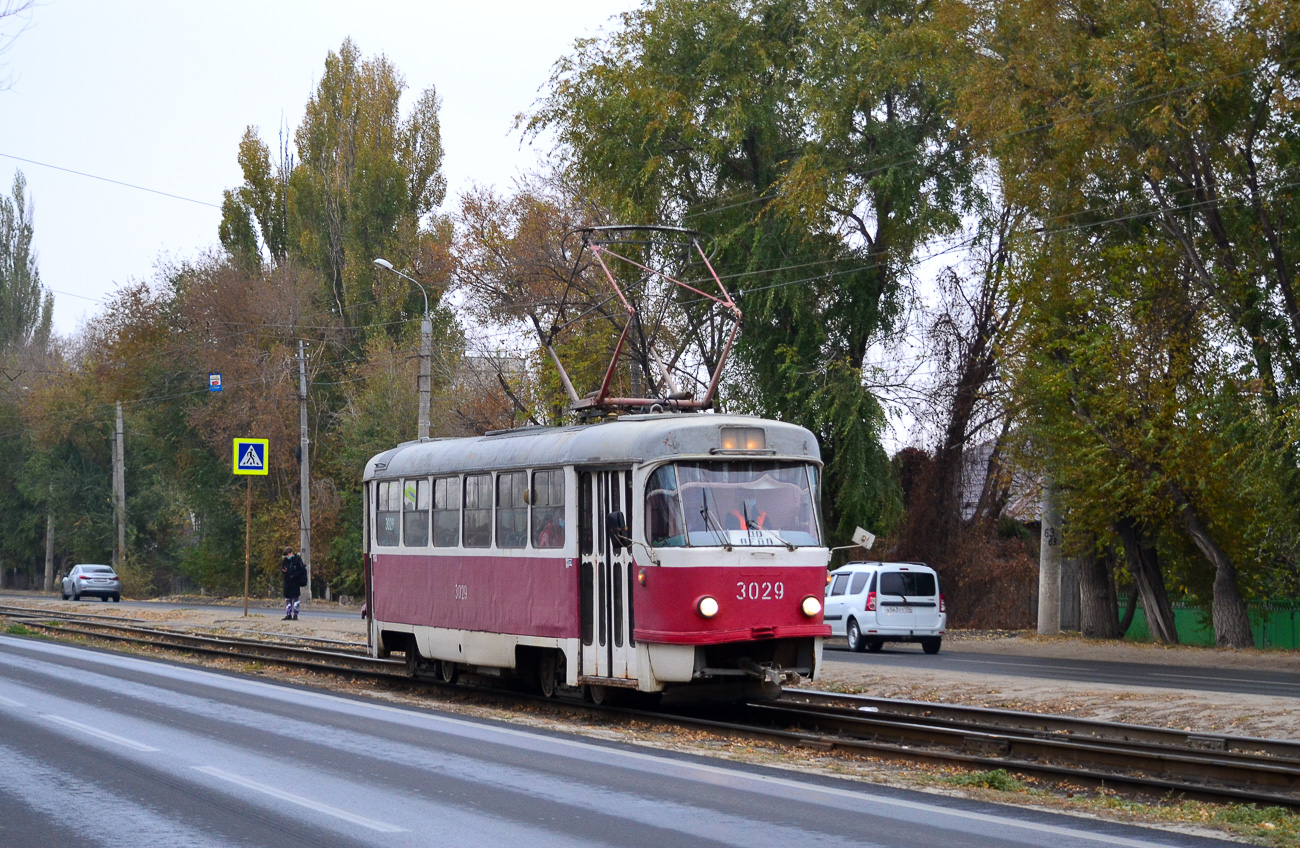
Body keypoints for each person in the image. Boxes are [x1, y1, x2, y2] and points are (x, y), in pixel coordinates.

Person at [280, 545, 306, 621]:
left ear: (291, 553)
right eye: (285, 555)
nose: (287, 556)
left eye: (287, 555)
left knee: (295, 598)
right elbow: (283, 568)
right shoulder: (285, 560)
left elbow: (302, 570)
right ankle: (288, 614)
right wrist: (284, 571)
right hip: (287, 581)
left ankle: (295, 614)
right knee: (287, 598)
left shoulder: (297, 559)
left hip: (295, 582)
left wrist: (294, 575)